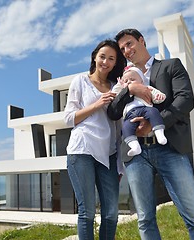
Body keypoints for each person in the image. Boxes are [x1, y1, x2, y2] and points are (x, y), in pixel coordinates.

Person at [107, 29, 194, 240]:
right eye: (122, 49)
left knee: (193, 214)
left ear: (142, 41)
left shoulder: (170, 66)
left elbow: (185, 100)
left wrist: (155, 124)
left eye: (129, 44)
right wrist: (131, 90)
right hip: (136, 155)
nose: (126, 51)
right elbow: (112, 111)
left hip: (170, 147)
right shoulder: (125, 79)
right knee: (145, 219)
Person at [64, 39, 126, 240]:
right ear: (94, 57)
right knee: (87, 213)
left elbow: (117, 125)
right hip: (82, 150)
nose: (105, 62)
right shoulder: (80, 81)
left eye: (111, 59)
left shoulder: (116, 86)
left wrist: (119, 163)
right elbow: (68, 118)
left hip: (108, 154)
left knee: (111, 214)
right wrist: (98, 103)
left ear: (115, 63)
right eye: (102, 56)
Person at [112, 66, 167, 156]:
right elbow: (115, 95)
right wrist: (121, 85)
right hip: (130, 115)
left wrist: (160, 97)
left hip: (145, 109)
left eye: (132, 79)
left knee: (154, 112)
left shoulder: (146, 88)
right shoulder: (123, 92)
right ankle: (134, 146)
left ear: (141, 80)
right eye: (126, 81)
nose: (129, 82)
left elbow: (157, 96)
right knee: (126, 127)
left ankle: (159, 133)